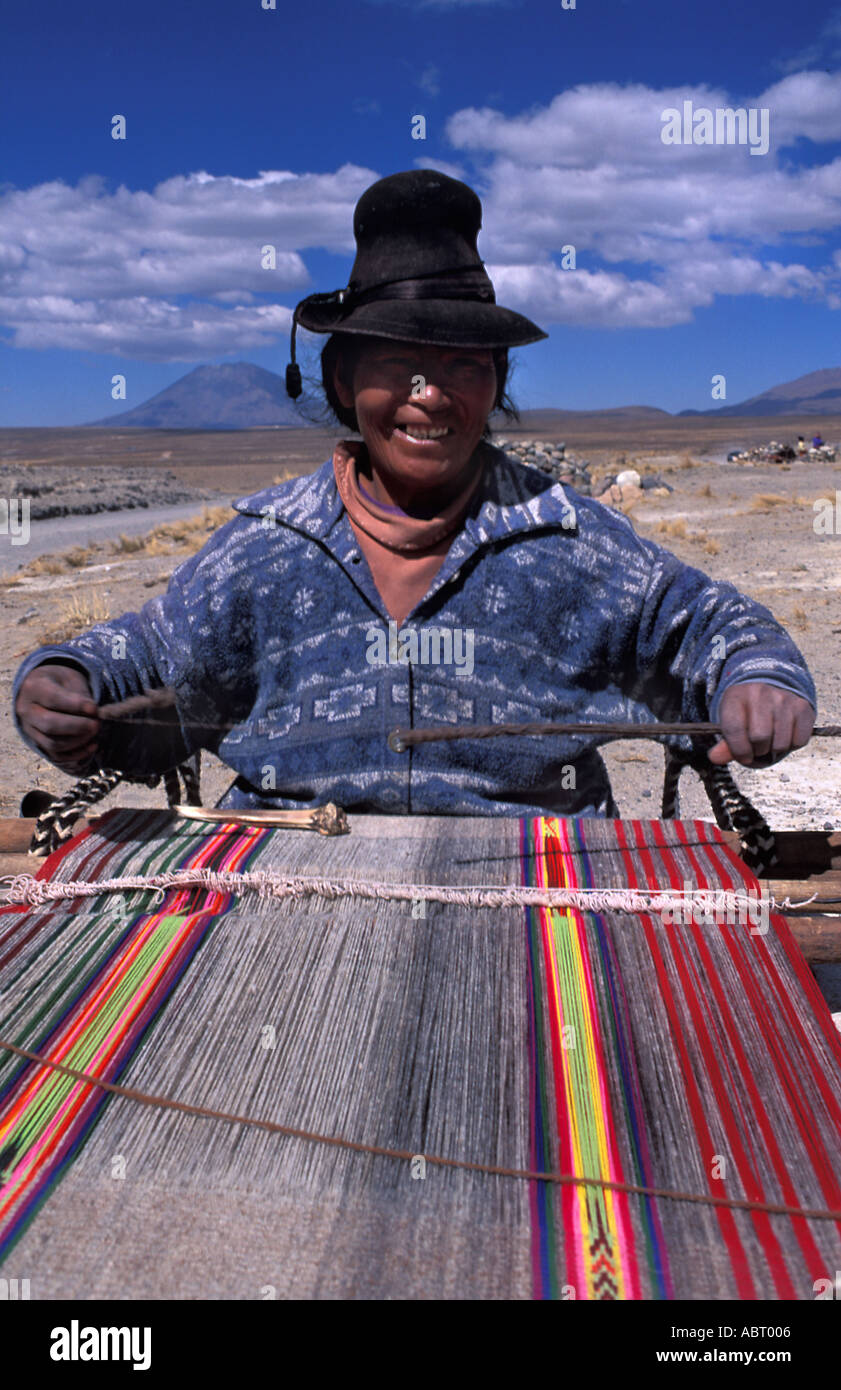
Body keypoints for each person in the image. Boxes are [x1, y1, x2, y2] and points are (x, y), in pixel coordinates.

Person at [13, 171, 816, 818]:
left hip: (540, 898)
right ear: (341, 380)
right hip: (285, 878)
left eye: (465, 364)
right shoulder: (263, 548)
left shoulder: (573, 541)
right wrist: (63, 685)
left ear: (496, 382)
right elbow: (143, 659)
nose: (429, 395)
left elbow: (717, 627)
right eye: (398, 362)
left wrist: (759, 681)